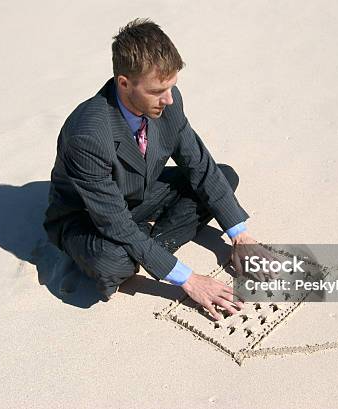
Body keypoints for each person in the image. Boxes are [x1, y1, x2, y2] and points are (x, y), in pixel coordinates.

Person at [43, 18, 261, 320]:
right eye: (158, 90)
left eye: (171, 86)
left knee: (224, 176)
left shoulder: (168, 102)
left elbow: (199, 164)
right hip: (88, 218)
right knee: (115, 262)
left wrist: (241, 237)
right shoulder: (88, 135)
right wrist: (190, 279)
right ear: (123, 83)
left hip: (139, 193)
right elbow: (114, 222)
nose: (169, 99)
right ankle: (145, 250)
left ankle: (149, 247)